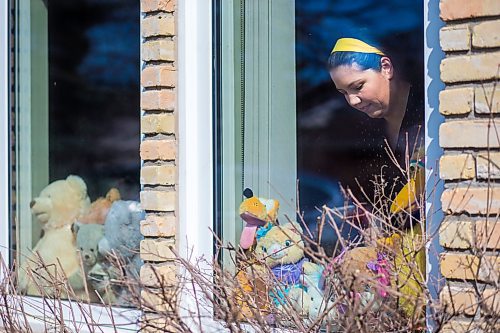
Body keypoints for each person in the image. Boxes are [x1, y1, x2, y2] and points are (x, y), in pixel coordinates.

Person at [327, 37, 425, 319]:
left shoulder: (429, 109)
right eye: (343, 93)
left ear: (386, 67)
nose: (352, 101)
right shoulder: (365, 129)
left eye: (357, 87)